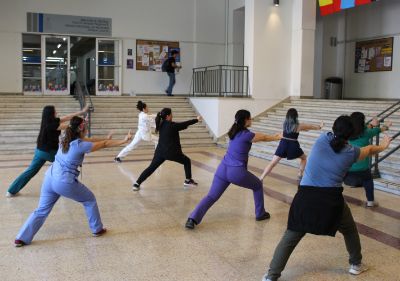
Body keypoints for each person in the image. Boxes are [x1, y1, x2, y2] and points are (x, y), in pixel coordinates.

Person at [261, 115, 392, 281]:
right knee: (349, 230)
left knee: (291, 236)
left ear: (334, 128)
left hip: (305, 197)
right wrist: (383, 146)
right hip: (331, 201)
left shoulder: (322, 139)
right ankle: (356, 265)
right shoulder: (352, 152)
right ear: (351, 135)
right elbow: (370, 150)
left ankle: (271, 275)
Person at [14, 116, 132, 247]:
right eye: (85, 126)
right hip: (64, 181)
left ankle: (21, 238)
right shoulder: (80, 145)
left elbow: (92, 140)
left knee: (41, 210)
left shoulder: (65, 138)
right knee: (89, 200)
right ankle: (97, 229)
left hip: (49, 178)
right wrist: (123, 141)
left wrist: (107, 139)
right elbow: (102, 144)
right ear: (82, 128)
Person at [185, 110, 282, 229]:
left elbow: (260, 137)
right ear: (245, 120)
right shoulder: (247, 135)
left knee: (211, 196)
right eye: (250, 118)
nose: (251, 120)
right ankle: (260, 214)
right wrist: (277, 137)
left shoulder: (234, 132)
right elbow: (264, 137)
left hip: (222, 169)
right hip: (236, 172)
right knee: (257, 185)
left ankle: (192, 219)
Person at [6, 105, 89, 197]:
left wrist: (81, 112)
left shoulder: (48, 121)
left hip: (40, 151)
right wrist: (82, 123)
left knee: (30, 171)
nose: (56, 112)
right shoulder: (52, 125)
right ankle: (68, 187)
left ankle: (11, 191)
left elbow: (67, 117)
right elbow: (70, 126)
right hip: (49, 152)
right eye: (55, 111)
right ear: (51, 113)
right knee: (66, 163)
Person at [132, 108, 200, 191]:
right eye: (171, 114)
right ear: (168, 116)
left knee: (151, 168)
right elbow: (184, 124)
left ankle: (137, 183)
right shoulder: (172, 126)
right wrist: (196, 119)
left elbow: (182, 125)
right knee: (187, 161)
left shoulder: (161, 124)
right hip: (171, 152)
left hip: (160, 152)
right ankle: (188, 181)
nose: (172, 115)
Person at [259, 108, 323, 182]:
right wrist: (320, 126)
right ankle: (299, 174)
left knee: (272, 163)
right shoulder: (299, 125)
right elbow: (311, 126)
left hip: (283, 144)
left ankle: (261, 178)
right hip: (293, 145)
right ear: (296, 116)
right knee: (304, 158)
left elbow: (286, 133)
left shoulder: (284, 124)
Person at [344, 112, 392, 207]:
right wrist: (386, 126)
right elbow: (379, 130)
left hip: (346, 166)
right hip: (362, 167)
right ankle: (370, 201)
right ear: (362, 122)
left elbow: (364, 129)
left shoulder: (346, 132)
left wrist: (371, 125)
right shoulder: (366, 132)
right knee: (368, 180)